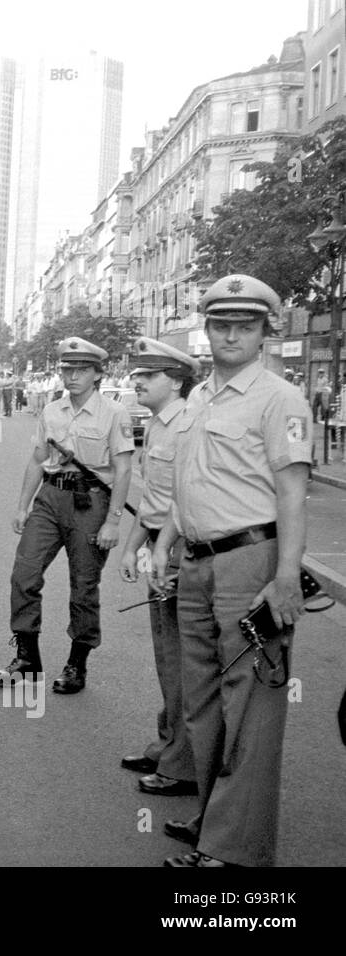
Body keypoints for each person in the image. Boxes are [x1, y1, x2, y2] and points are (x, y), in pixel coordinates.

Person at [151, 274, 311, 868]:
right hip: (196, 561)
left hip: (250, 561)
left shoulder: (280, 398)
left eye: (245, 326)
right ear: (207, 329)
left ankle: (235, 850)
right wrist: (166, 542)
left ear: (266, 332)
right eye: (221, 325)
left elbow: (292, 493)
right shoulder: (197, 398)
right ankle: (215, 816)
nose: (231, 335)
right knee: (204, 700)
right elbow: (185, 486)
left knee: (250, 703)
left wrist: (287, 574)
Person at [0, 336, 133, 694]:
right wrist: (23, 505)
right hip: (50, 498)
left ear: (97, 374)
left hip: (91, 503)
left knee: (84, 586)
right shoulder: (53, 410)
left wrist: (114, 520)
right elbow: (38, 459)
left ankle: (77, 663)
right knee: (24, 574)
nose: (72, 376)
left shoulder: (114, 413)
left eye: (81, 370)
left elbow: (123, 469)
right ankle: (26, 659)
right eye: (67, 369)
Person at [116, 337, 201, 798]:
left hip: (181, 546)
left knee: (184, 658)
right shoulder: (157, 424)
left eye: (148, 376)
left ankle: (184, 763)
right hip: (159, 542)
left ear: (176, 380)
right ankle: (170, 741)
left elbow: (183, 499)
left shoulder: (187, 424)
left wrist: (164, 551)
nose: (138, 383)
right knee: (166, 653)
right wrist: (133, 549)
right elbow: (150, 500)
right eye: (137, 375)